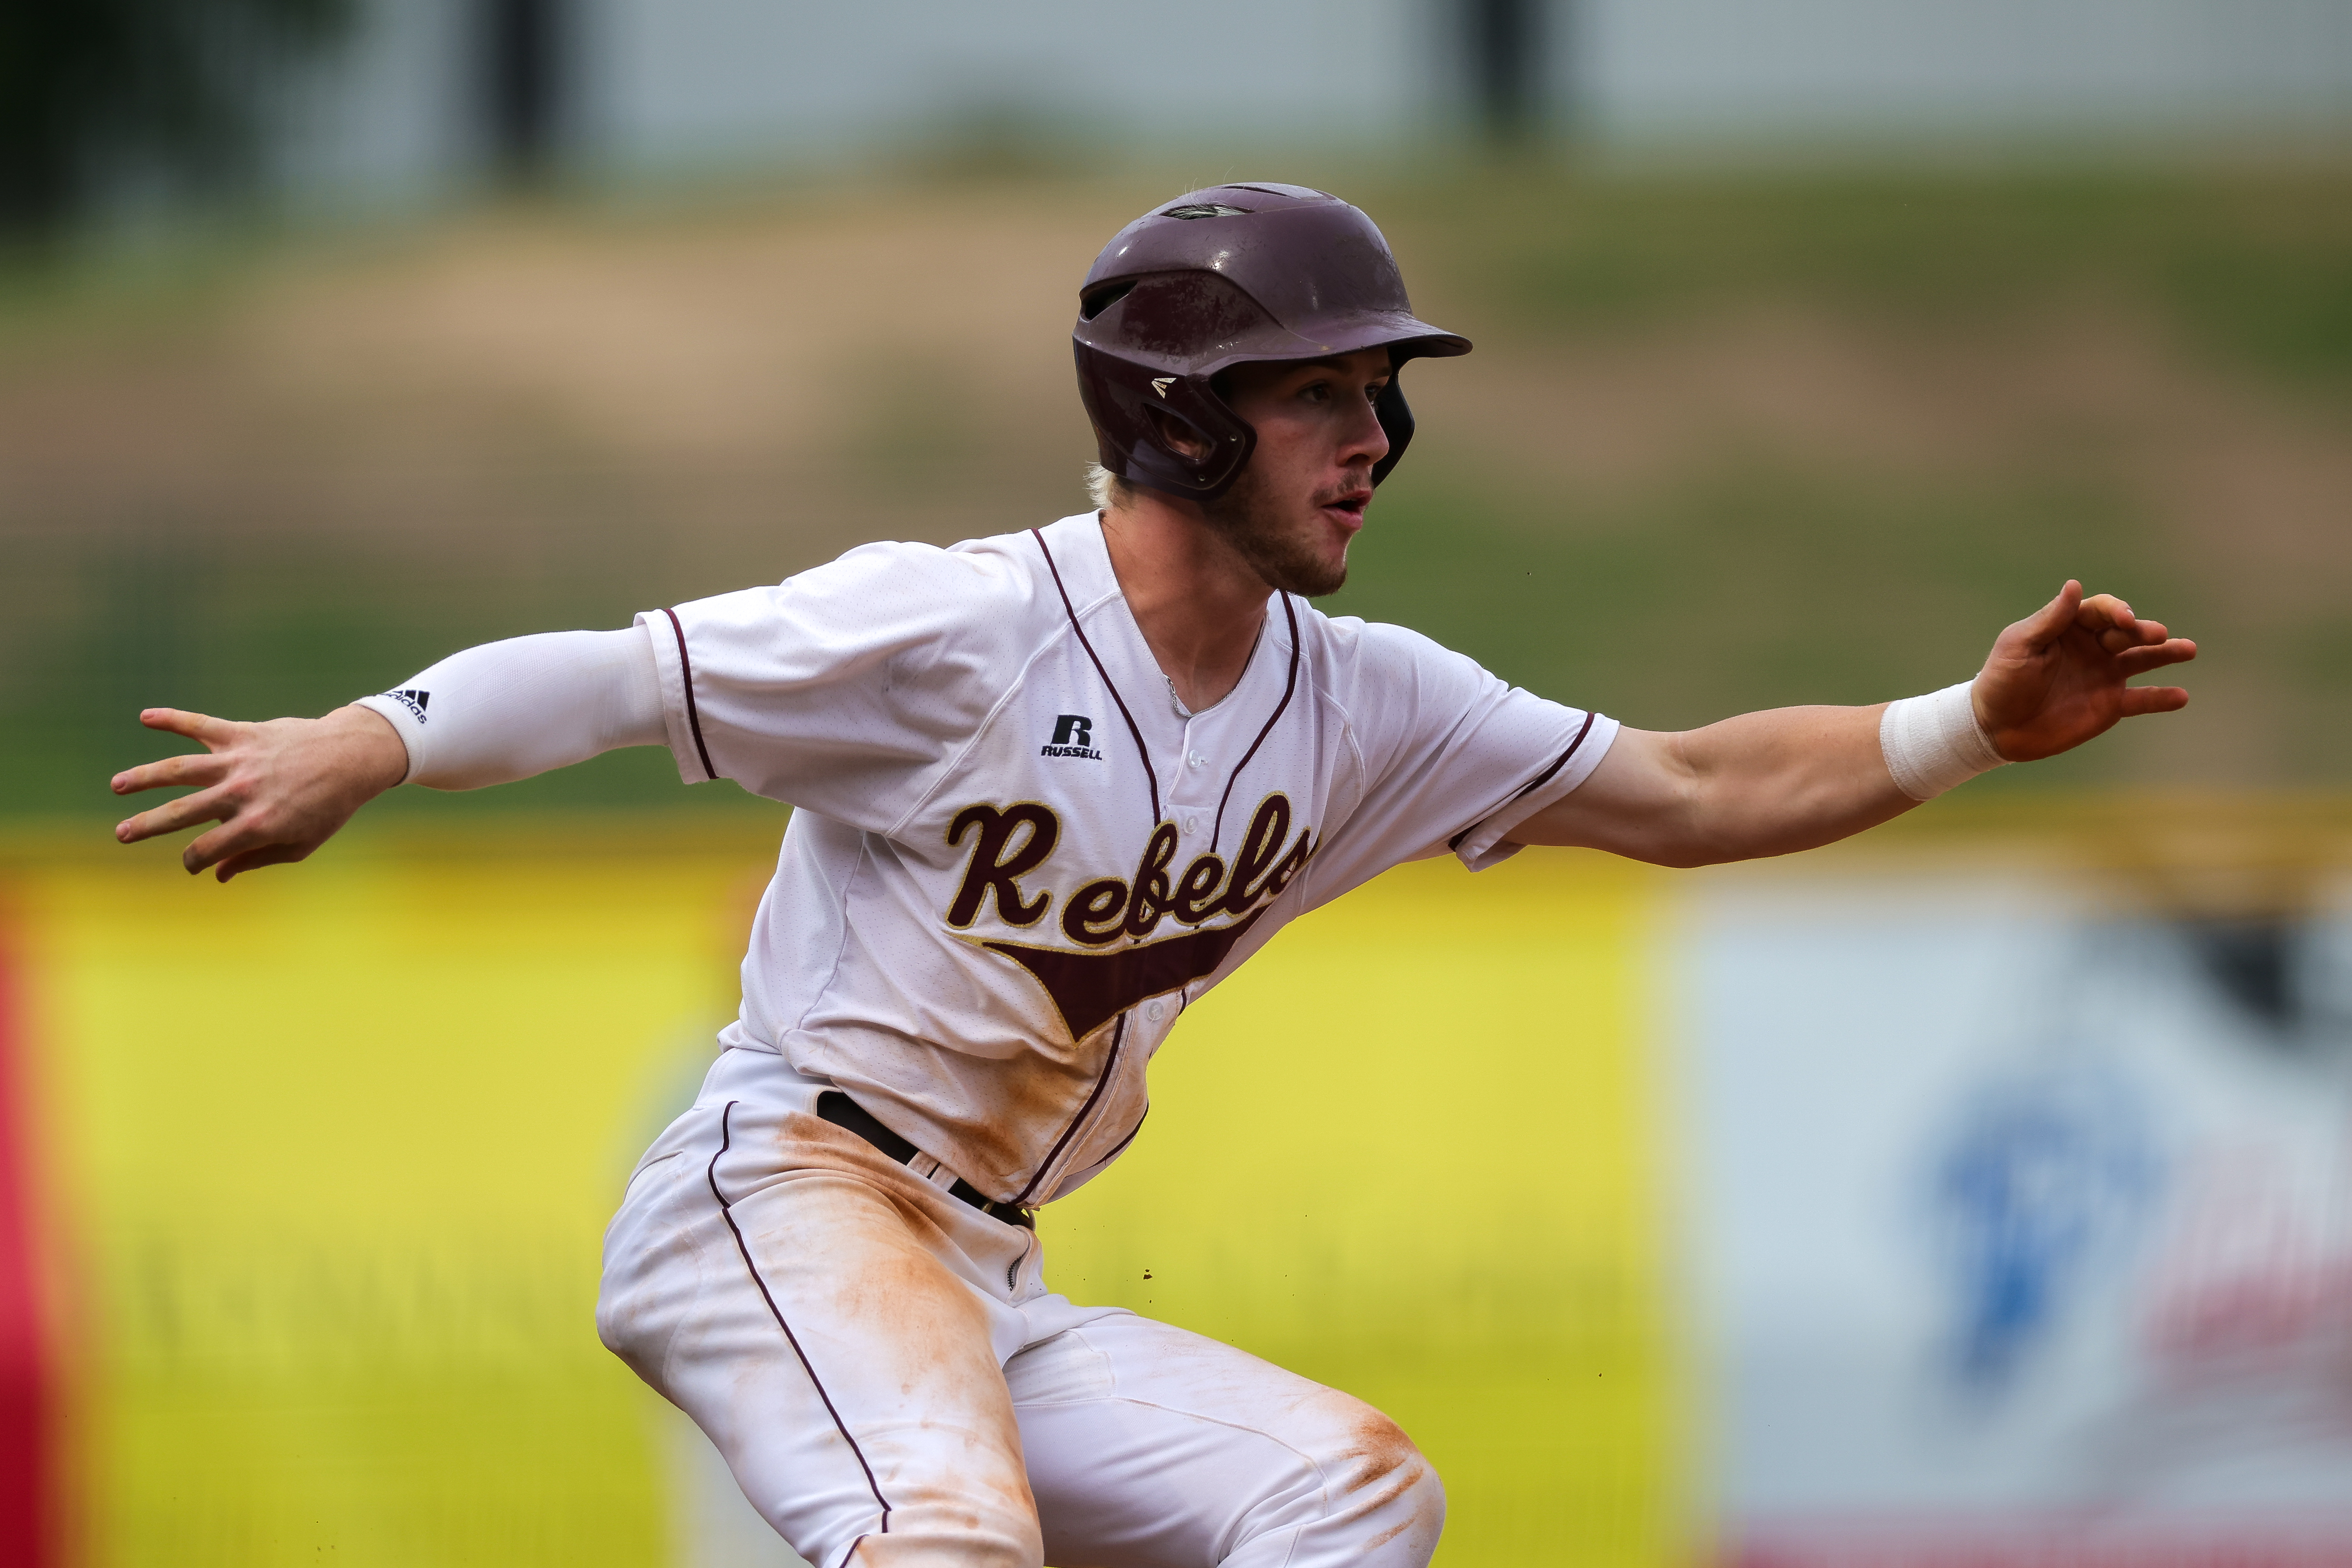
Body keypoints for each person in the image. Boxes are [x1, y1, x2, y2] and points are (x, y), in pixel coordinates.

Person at [110, 184, 2196, 1568]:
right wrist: (365, 737)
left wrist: (1967, 722)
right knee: (950, 1536)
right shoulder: (958, 626)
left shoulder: (1361, 701)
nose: (1371, 432)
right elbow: (616, 673)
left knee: (1350, 1497)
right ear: (1186, 420)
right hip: (782, 1190)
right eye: (1320, 392)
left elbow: (1689, 784)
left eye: (1376, 392)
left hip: (984, 1262)